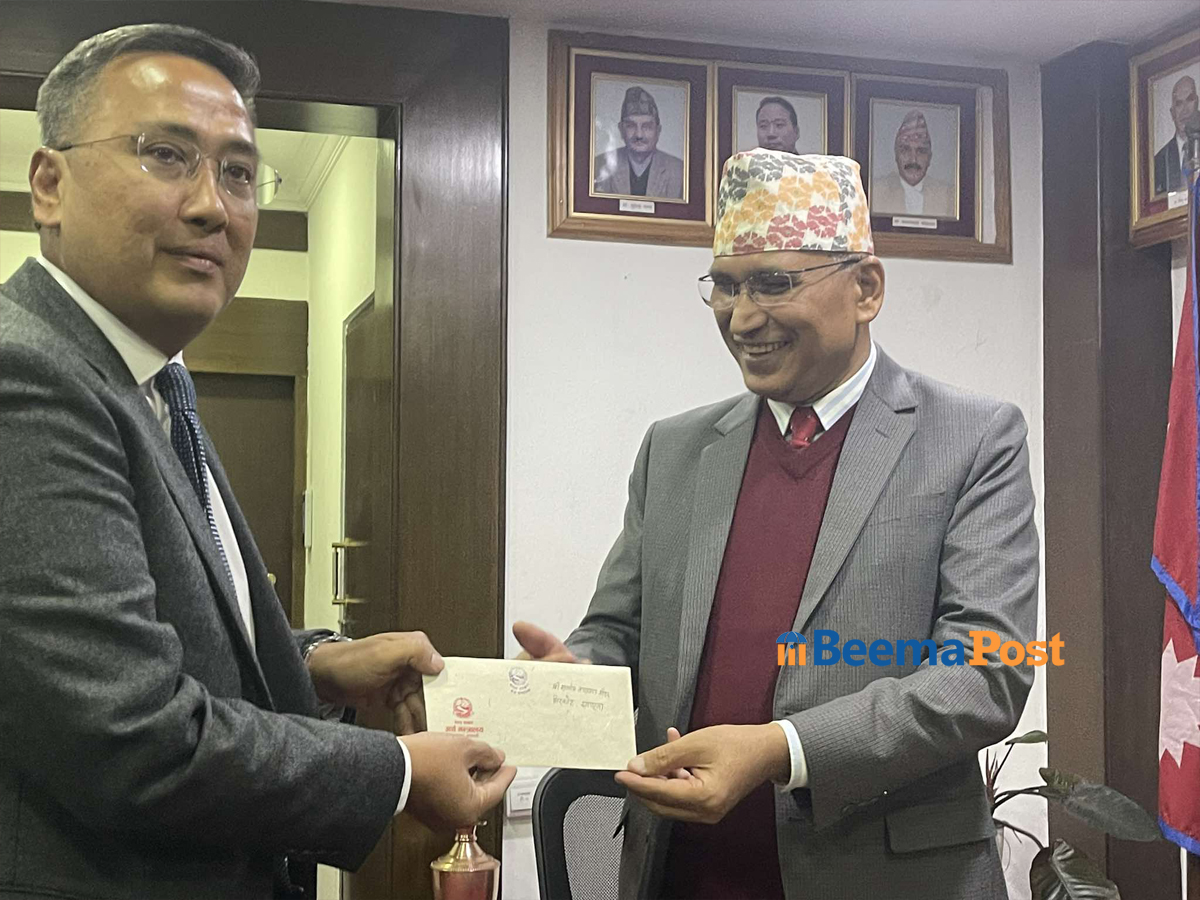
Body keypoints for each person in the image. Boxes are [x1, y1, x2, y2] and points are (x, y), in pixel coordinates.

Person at [0, 24, 514, 900]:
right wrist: (395, 772)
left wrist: (313, 665)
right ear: (50, 184)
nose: (213, 205)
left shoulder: (152, 380)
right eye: (166, 154)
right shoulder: (30, 376)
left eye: (239, 172)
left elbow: (164, 638)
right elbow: (130, 738)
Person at [516, 149, 1037, 899]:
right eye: (725, 286)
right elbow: (618, 633)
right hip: (682, 875)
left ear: (866, 288)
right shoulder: (675, 449)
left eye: (773, 284)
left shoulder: (972, 439)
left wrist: (778, 750)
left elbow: (985, 675)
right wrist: (577, 679)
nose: (742, 317)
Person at [594, 85, 685, 199]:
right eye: (631, 126)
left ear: (658, 131)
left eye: (647, 126)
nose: (639, 135)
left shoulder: (679, 171)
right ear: (621, 129)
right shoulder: (598, 165)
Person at [871, 109, 955, 218]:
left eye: (921, 151)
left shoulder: (948, 196)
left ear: (929, 157)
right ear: (896, 155)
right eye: (906, 150)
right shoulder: (875, 193)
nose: (913, 160)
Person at [1154, 74, 1198, 195]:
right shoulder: (1158, 162)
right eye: (1179, 104)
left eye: (1189, 99)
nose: (1185, 110)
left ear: (1197, 102)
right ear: (1172, 113)